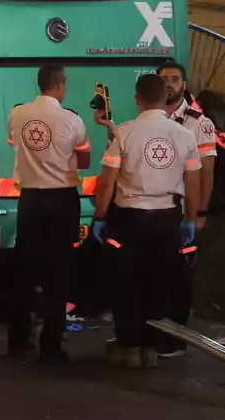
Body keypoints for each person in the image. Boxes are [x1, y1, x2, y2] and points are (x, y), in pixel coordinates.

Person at [91, 74, 199, 369]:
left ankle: (129, 345)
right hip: (167, 220)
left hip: (129, 220)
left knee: (126, 282)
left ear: (137, 99)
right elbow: (193, 185)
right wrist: (190, 220)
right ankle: (152, 346)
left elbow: (107, 183)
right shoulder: (185, 136)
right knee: (158, 282)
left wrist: (99, 217)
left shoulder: (125, 134)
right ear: (165, 98)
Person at [6, 64, 90, 362]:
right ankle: (51, 344)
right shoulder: (72, 120)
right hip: (62, 200)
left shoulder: (17, 114)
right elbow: (84, 160)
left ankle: (17, 339)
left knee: (25, 270)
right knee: (57, 273)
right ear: (59, 85)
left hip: (30, 200)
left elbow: (17, 146)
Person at [157, 60, 216, 358]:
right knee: (156, 275)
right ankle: (155, 333)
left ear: (184, 84)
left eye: (175, 79)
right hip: (156, 212)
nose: (169, 83)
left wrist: (199, 214)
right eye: (164, 79)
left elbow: (207, 172)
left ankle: (175, 339)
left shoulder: (199, 123)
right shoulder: (150, 117)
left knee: (180, 278)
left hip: (184, 212)